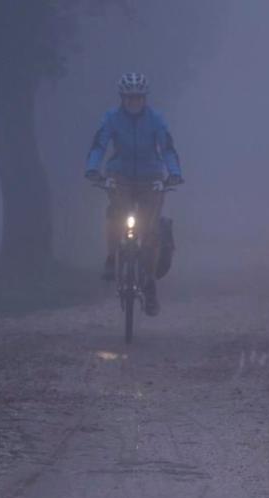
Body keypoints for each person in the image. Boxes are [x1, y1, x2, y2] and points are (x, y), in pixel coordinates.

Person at [85, 72, 183, 316]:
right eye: (129, 98)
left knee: (150, 231)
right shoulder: (112, 119)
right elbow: (99, 145)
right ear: (122, 98)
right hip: (121, 176)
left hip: (151, 178)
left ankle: (149, 283)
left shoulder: (156, 120)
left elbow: (168, 148)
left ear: (144, 98)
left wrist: (174, 173)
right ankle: (111, 259)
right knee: (115, 214)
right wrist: (92, 169)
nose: (134, 102)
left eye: (138, 98)